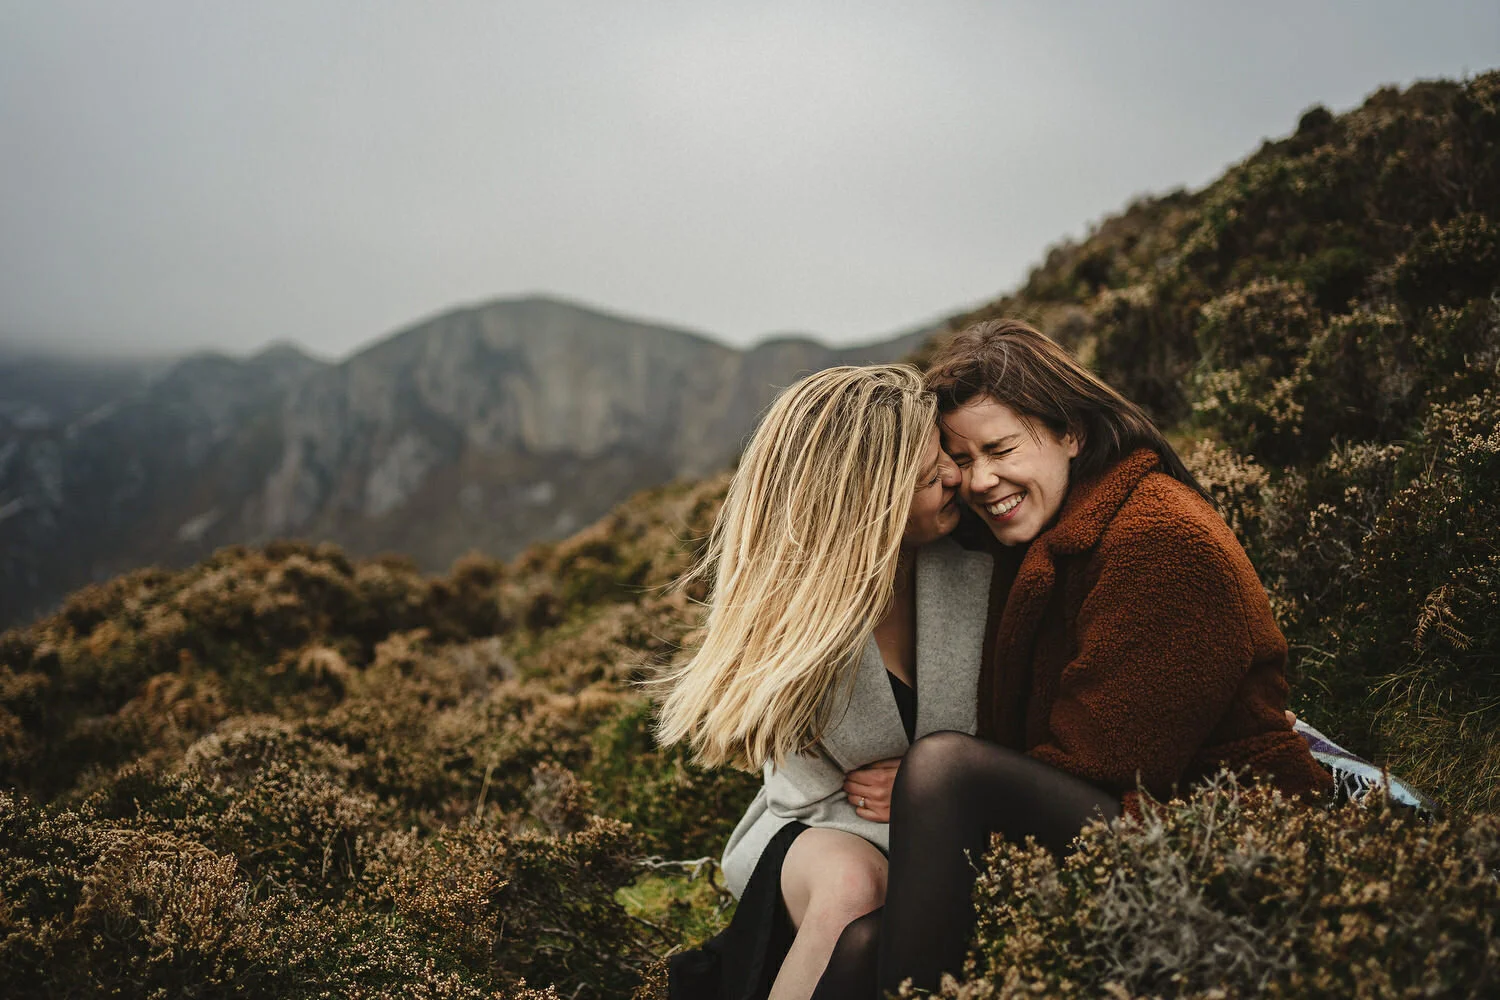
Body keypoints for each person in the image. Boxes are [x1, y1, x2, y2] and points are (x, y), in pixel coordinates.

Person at [808, 320, 1336, 997]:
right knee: (860, 948)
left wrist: (934, 791)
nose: (980, 481)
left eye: (999, 449)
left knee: (944, 769)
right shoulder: (1041, 532)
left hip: (1215, 835)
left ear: (1071, 434)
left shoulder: (1159, 540)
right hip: (1125, 811)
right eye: (961, 460)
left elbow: (1109, 765)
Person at [655, 364, 994, 1000]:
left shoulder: (983, 557)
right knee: (851, 889)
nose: (956, 476)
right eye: (927, 477)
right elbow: (811, 789)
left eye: (944, 456)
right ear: (871, 504)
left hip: (955, 817)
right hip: (818, 827)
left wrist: (932, 788)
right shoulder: (800, 614)